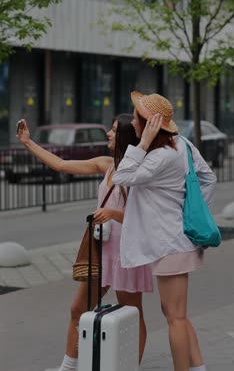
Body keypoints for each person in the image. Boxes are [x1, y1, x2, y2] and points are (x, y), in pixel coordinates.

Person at [16, 114, 153, 371]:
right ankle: (68, 367)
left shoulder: (138, 174)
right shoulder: (106, 165)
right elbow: (61, 165)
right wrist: (28, 142)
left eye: (113, 130)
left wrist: (113, 214)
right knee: (78, 309)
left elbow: (144, 220)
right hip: (101, 251)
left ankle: (132, 366)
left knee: (133, 313)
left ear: (126, 136)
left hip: (127, 253)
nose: (108, 134)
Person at [113, 92, 217, 371]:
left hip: (170, 243)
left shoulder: (160, 157)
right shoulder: (182, 145)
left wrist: (143, 143)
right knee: (175, 314)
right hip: (175, 241)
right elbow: (208, 178)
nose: (133, 123)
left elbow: (121, 176)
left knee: (175, 317)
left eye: (136, 118)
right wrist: (192, 213)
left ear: (149, 124)